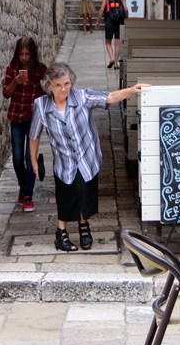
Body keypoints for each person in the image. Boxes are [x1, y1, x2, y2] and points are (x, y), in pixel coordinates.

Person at [29, 61, 149, 252]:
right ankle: (61, 234)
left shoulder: (82, 97)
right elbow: (34, 135)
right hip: (64, 160)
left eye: (67, 84)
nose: (63, 89)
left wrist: (132, 90)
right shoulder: (41, 106)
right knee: (65, 194)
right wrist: (33, 160)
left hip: (86, 156)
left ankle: (83, 226)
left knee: (83, 192)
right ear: (49, 85)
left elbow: (109, 97)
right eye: (58, 85)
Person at [3, 37, 47, 213]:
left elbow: (47, 92)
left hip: (34, 118)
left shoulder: (40, 70)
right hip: (17, 117)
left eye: (27, 54)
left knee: (30, 158)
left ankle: (28, 196)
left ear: (32, 54)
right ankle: (24, 186)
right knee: (17, 158)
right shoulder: (11, 68)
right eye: (21, 54)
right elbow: (6, 94)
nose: (24, 57)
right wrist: (15, 81)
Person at [95, 0, 128, 70]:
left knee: (108, 42)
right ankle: (116, 64)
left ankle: (111, 58)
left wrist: (97, 21)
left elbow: (102, 10)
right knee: (117, 43)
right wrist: (126, 19)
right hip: (119, 21)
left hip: (109, 21)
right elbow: (125, 9)